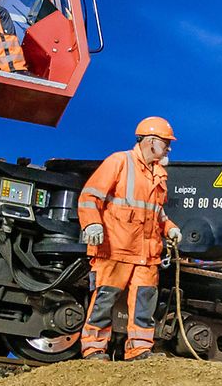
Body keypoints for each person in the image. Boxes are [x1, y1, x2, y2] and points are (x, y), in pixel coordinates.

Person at [77, 117, 180, 360]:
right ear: (151, 141)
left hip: (147, 254)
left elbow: (156, 213)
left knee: (145, 303)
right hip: (116, 248)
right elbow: (89, 197)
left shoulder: (159, 174)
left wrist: (170, 228)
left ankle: (139, 350)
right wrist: (92, 223)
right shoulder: (119, 162)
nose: (169, 148)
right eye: (166, 143)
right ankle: (93, 349)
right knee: (105, 299)